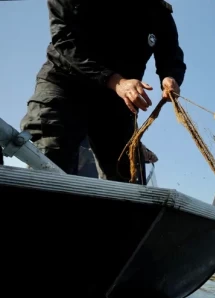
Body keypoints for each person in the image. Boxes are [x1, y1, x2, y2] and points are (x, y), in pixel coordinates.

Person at [20, 0, 186, 182]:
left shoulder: (158, 11)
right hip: (65, 85)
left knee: (126, 176)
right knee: (50, 158)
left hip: (116, 104)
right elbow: (65, 40)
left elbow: (170, 53)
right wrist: (116, 81)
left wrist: (170, 77)